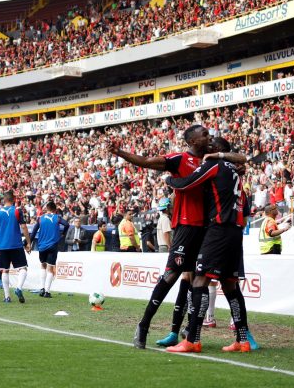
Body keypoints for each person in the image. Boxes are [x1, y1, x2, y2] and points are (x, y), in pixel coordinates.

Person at [110, 124, 245, 349]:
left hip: (207, 230)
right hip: (185, 227)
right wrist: (120, 152)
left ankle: (190, 333)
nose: (209, 137)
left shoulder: (212, 162)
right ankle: (144, 325)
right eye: (204, 135)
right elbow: (146, 162)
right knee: (171, 277)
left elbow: (240, 161)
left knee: (195, 281)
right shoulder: (179, 159)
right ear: (192, 141)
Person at [164, 137, 256, 353]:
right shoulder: (234, 171)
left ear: (215, 150)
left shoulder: (213, 164)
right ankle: (242, 339)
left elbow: (186, 183)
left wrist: (170, 181)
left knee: (200, 280)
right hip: (235, 230)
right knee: (230, 285)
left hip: (219, 229)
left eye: (210, 145)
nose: (206, 147)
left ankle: (192, 339)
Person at [0, 190, 32, 303]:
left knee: (5, 270)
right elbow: (24, 227)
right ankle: (18, 288)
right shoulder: (17, 211)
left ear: (4, 199)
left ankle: (7, 297)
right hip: (16, 244)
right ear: (13, 200)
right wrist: (28, 242)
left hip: (3, 245)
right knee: (23, 268)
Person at [30, 201, 69, 298]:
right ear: (55, 210)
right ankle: (47, 291)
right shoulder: (57, 218)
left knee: (43, 266)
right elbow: (67, 224)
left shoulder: (40, 218)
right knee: (50, 268)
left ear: (47, 208)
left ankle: (42, 288)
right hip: (53, 245)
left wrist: (28, 242)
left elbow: (34, 231)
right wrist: (63, 233)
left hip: (42, 246)